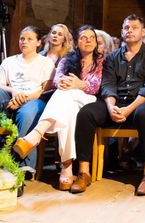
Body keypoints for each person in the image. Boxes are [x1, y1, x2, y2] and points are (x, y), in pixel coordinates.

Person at [70, 14, 145, 195]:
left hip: (141, 103)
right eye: (126, 27)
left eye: (134, 27)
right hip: (116, 102)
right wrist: (111, 107)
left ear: (143, 32)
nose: (129, 31)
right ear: (121, 31)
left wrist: (128, 109)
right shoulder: (112, 57)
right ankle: (83, 172)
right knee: (86, 113)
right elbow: (108, 85)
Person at [13, 26, 104, 191]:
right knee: (67, 105)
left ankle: (38, 135)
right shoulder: (67, 59)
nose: (88, 40)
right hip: (68, 102)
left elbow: (97, 86)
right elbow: (57, 79)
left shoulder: (101, 61)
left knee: (66, 94)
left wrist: (79, 84)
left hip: (89, 101)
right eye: (84, 37)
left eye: (92, 37)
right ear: (76, 42)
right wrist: (64, 82)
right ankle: (66, 166)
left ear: (96, 42)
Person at [0, 26, 55, 178]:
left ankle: (22, 167)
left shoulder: (46, 63)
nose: (24, 42)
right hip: (10, 98)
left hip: (35, 100)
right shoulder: (9, 62)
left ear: (38, 42)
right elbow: (1, 84)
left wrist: (22, 99)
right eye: (22, 39)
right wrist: (14, 92)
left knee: (28, 113)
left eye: (29, 39)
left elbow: (44, 90)